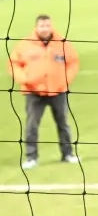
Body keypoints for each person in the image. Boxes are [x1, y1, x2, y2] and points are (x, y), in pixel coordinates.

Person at [9, 14, 79, 169]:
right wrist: (25, 79)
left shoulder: (62, 44)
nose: (45, 29)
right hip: (34, 92)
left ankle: (67, 154)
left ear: (51, 26)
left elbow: (73, 62)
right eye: (42, 26)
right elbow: (14, 64)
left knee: (63, 123)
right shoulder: (24, 45)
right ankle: (31, 158)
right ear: (36, 27)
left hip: (58, 91)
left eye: (48, 25)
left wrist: (65, 80)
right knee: (32, 125)